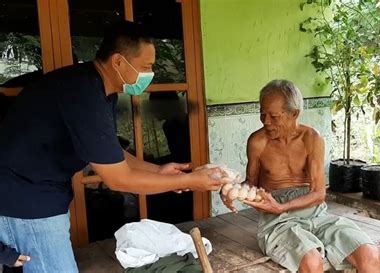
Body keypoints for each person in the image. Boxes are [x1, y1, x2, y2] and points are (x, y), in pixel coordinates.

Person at [0, 21, 225, 273]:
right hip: (25, 201)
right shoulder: (83, 93)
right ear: (118, 62)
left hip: (37, 195)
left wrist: (158, 171)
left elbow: (111, 154)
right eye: (145, 67)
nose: (149, 75)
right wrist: (192, 181)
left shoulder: (100, 90)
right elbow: (118, 179)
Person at [221, 80, 380, 273]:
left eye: (273, 115)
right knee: (312, 261)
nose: (265, 121)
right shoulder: (258, 142)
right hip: (278, 222)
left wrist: (282, 206)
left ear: (294, 113)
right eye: (262, 113)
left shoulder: (312, 139)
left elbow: (318, 194)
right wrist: (233, 191)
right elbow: (251, 184)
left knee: (369, 254)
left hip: (316, 213)